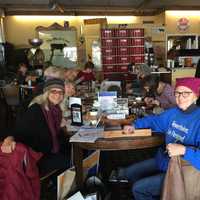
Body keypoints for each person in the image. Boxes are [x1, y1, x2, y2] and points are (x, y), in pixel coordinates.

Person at [121, 77, 200, 200]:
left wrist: (184, 150)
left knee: (138, 188)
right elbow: (154, 120)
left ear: (196, 96)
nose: (180, 97)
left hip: (183, 172)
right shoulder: (173, 112)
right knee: (129, 173)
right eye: (177, 93)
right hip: (163, 160)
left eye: (185, 93)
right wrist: (134, 125)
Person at [1, 78, 69, 175]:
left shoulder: (56, 109)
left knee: (73, 152)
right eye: (53, 91)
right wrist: (9, 138)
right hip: (36, 157)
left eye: (60, 92)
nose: (57, 95)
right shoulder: (36, 109)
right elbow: (18, 130)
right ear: (46, 93)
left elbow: (55, 135)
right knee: (71, 161)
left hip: (48, 151)